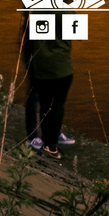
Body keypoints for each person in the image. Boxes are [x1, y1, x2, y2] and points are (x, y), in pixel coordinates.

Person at [20, 12, 74, 159]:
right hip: (57, 66)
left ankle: (49, 137)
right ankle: (49, 143)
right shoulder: (63, 9)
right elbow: (75, 32)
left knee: (45, 103)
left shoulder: (36, 6)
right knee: (54, 104)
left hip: (41, 62)